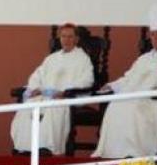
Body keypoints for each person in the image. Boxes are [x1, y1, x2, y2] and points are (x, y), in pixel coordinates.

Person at [93, 5, 157, 158]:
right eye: (152, 35)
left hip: (154, 102)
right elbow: (129, 78)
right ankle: (115, 153)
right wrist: (112, 85)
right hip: (134, 97)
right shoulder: (144, 58)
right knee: (116, 105)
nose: (155, 38)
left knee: (133, 109)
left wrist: (146, 91)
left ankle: (135, 153)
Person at [9, 24, 94, 155]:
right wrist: (35, 88)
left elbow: (87, 80)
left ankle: (47, 148)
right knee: (28, 107)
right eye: (63, 36)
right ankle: (24, 147)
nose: (66, 40)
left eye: (70, 36)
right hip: (45, 95)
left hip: (64, 97)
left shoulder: (83, 59)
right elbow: (38, 75)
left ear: (76, 39)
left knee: (53, 109)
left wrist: (65, 92)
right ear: (60, 38)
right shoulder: (52, 58)